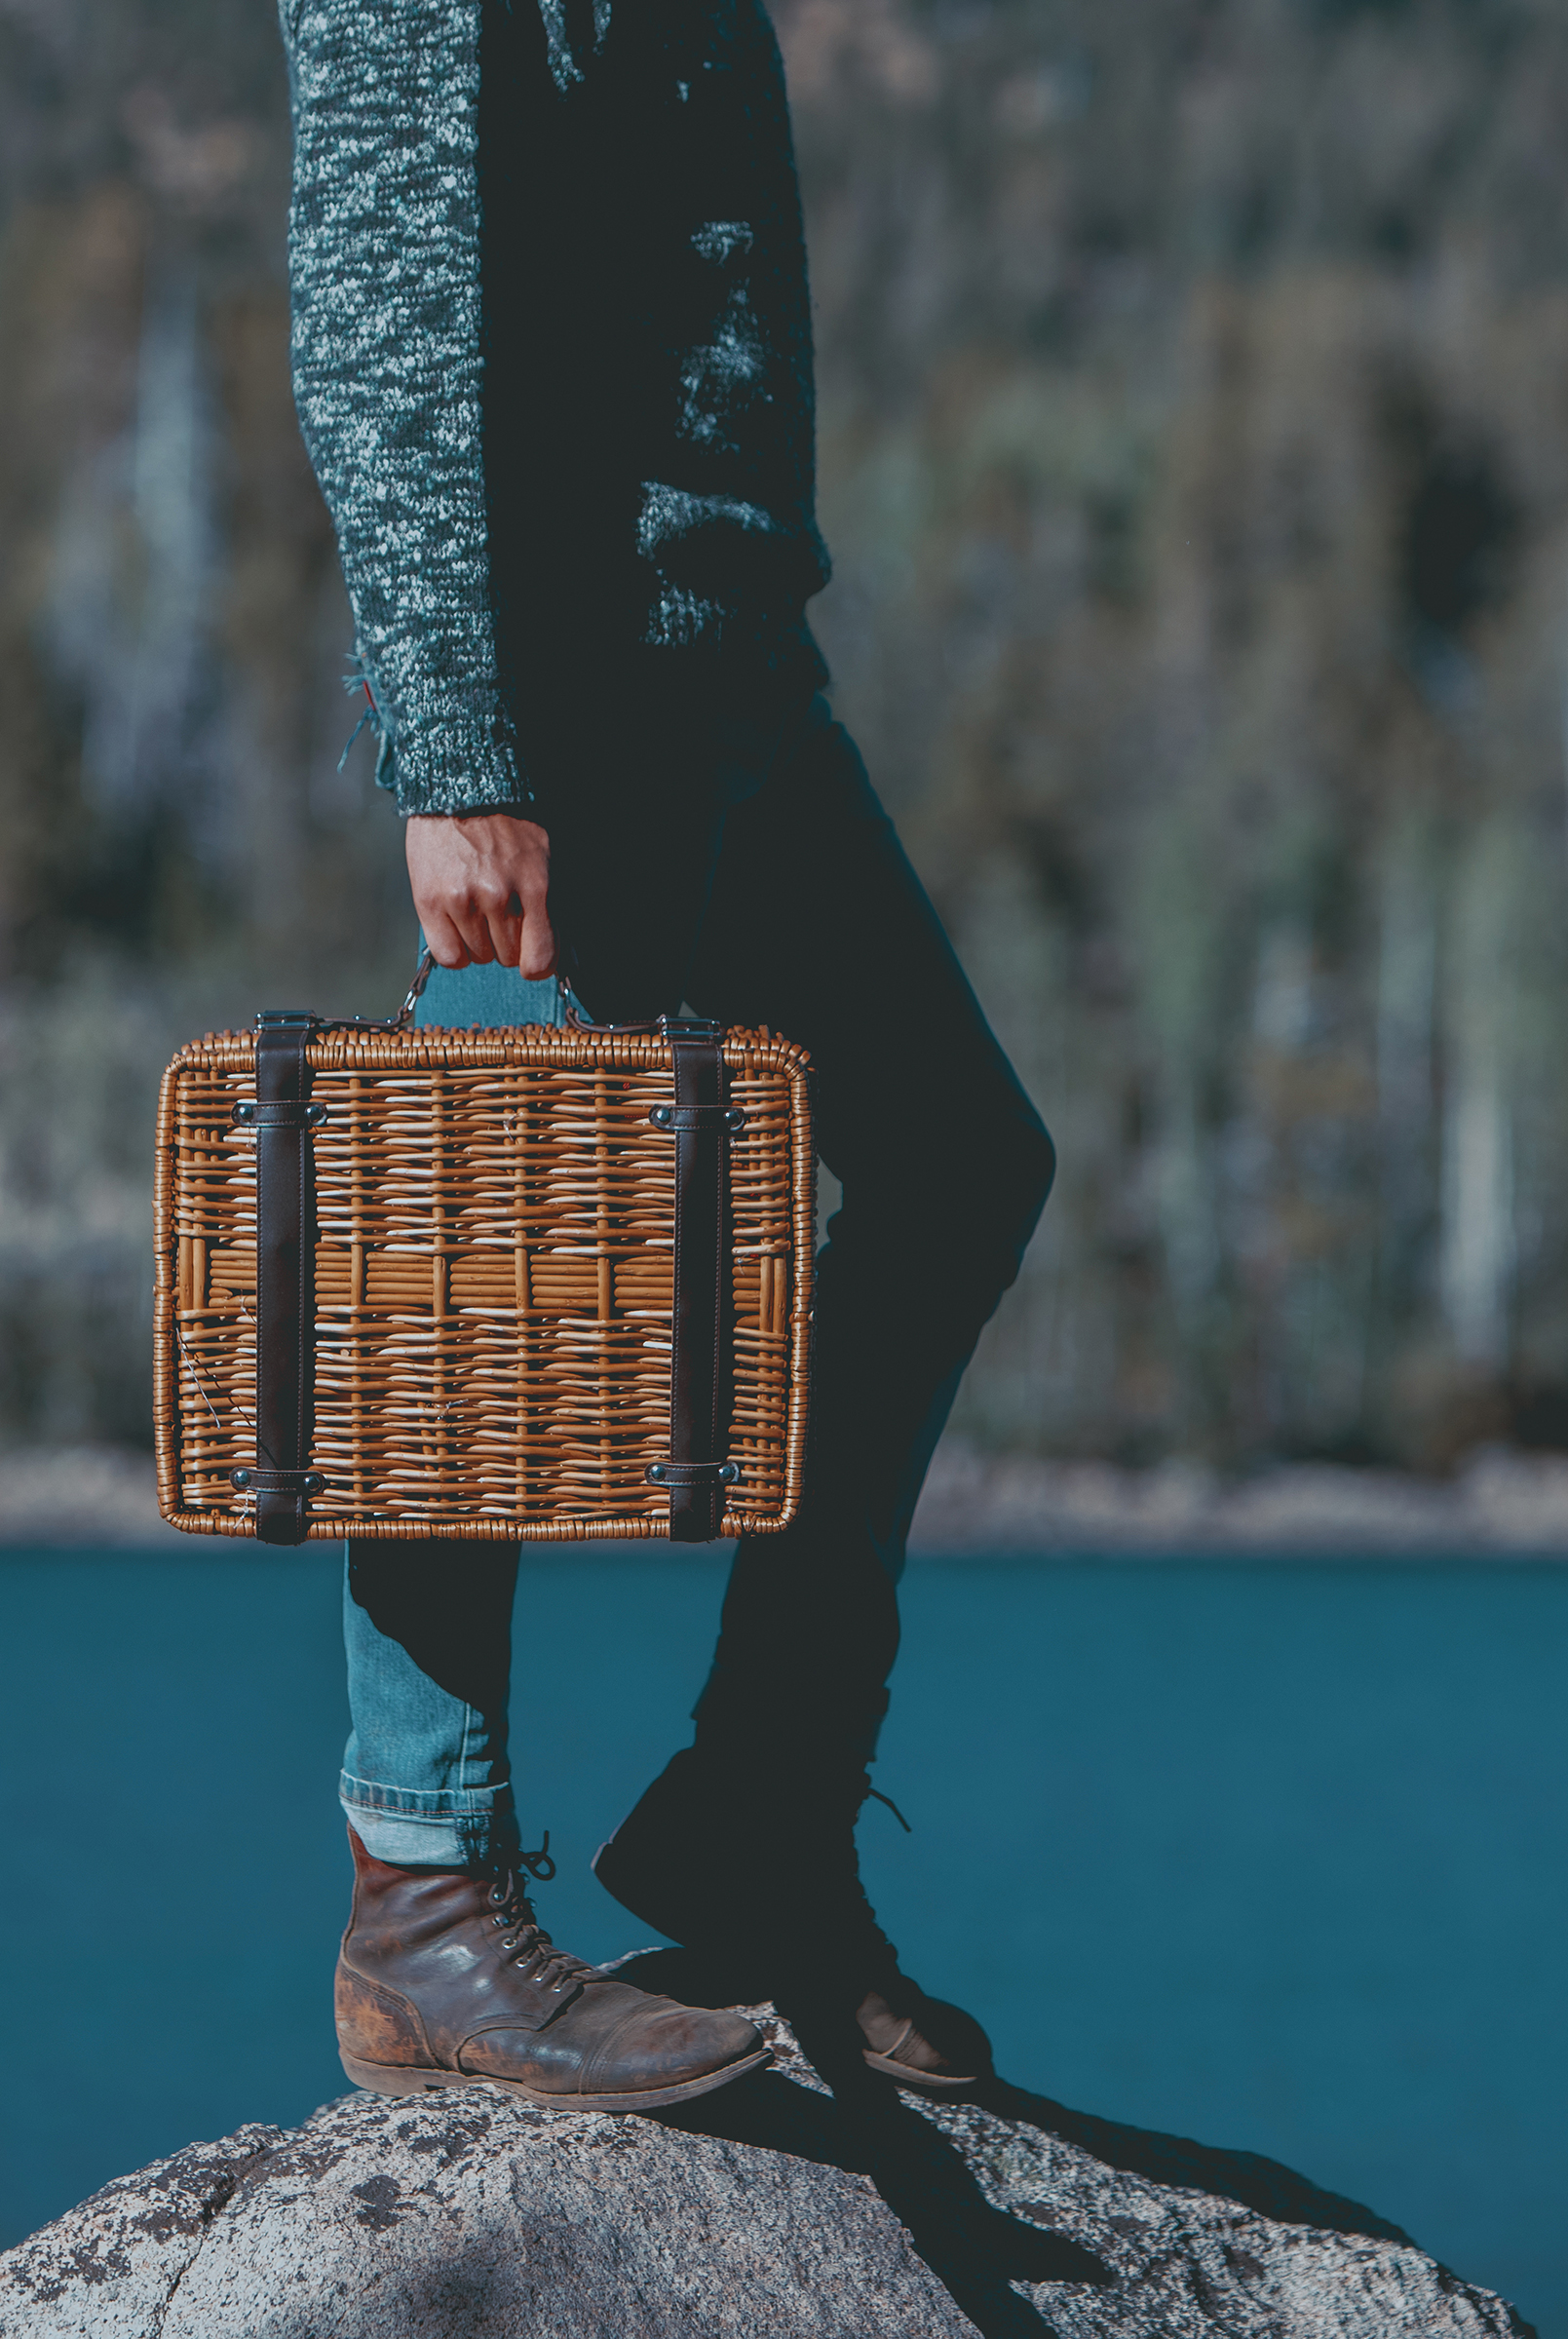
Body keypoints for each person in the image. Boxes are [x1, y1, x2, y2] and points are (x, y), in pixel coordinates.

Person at [282, 0, 1056, 2112]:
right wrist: (456, 749)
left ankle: (759, 1818)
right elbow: (375, 298)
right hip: (565, 688)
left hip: (729, 670)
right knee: (486, 1265)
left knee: (961, 1160)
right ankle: (424, 1898)